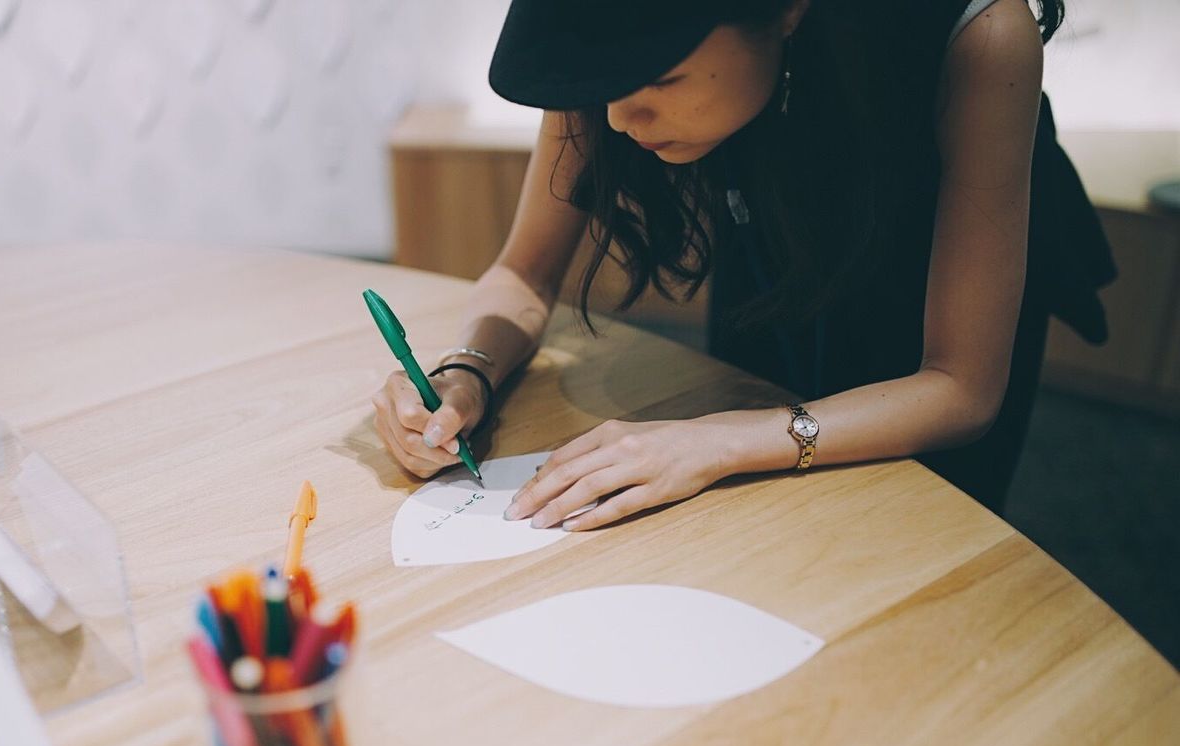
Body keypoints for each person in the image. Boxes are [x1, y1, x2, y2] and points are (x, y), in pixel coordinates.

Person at [371, 0, 1114, 529]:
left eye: (660, 81)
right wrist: (467, 372)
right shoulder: (610, 44)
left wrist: (717, 439)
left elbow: (961, 390)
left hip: (933, 271)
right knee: (753, 524)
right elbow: (525, 271)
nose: (619, 120)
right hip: (777, 249)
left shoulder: (981, 34)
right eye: (604, 91)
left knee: (911, 537)